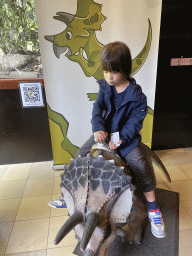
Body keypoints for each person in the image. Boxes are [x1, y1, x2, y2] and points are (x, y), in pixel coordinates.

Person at [49, 41, 166, 238]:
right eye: (105, 71)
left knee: (141, 166)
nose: (108, 76)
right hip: (104, 135)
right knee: (80, 155)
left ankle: (153, 209)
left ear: (125, 70)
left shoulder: (138, 97)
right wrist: (98, 128)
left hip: (127, 141)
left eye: (113, 71)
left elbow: (135, 122)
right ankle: (66, 195)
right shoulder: (105, 87)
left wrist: (121, 140)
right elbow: (97, 111)